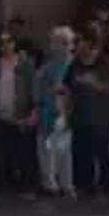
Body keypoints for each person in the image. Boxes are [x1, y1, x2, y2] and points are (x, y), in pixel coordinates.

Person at [65, 28, 109, 198]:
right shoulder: (75, 64)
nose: (76, 47)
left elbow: (108, 85)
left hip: (100, 115)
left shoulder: (104, 62)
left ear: (89, 43)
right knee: (81, 150)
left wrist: (90, 82)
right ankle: (84, 185)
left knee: (101, 150)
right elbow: (67, 86)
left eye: (79, 42)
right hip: (79, 113)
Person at [0, 32, 38, 191]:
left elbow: (33, 88)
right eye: (2, 42)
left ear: (14, 44)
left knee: (23, 149)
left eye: (8, 42)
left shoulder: (25, 64)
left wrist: (32, 109)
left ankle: (26, 182)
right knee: (3, 150)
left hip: (21, 112)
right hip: (0, 114)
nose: (5, 46)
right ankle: (5, 181)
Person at [34, 27, 75, 198]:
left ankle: (66, 184)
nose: (62, 46)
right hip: (47, 111)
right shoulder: (45, 69)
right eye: (59, 42)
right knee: (46, 148)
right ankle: (49, 184)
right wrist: (38, 107)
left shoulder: (74, 66)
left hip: (66, 112)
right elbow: (37, 90)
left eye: (66, 43)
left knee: (64, 150)